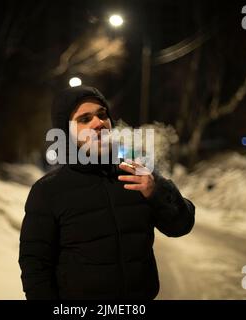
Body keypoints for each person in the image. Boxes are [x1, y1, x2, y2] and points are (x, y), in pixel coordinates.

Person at [18, 86, 195, 300]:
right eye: (84, 119)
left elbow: (181, 225)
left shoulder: (137, 173)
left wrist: (157, 190)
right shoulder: (48, 191)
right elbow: (35, 268)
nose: (98, 123)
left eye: (102, 115)